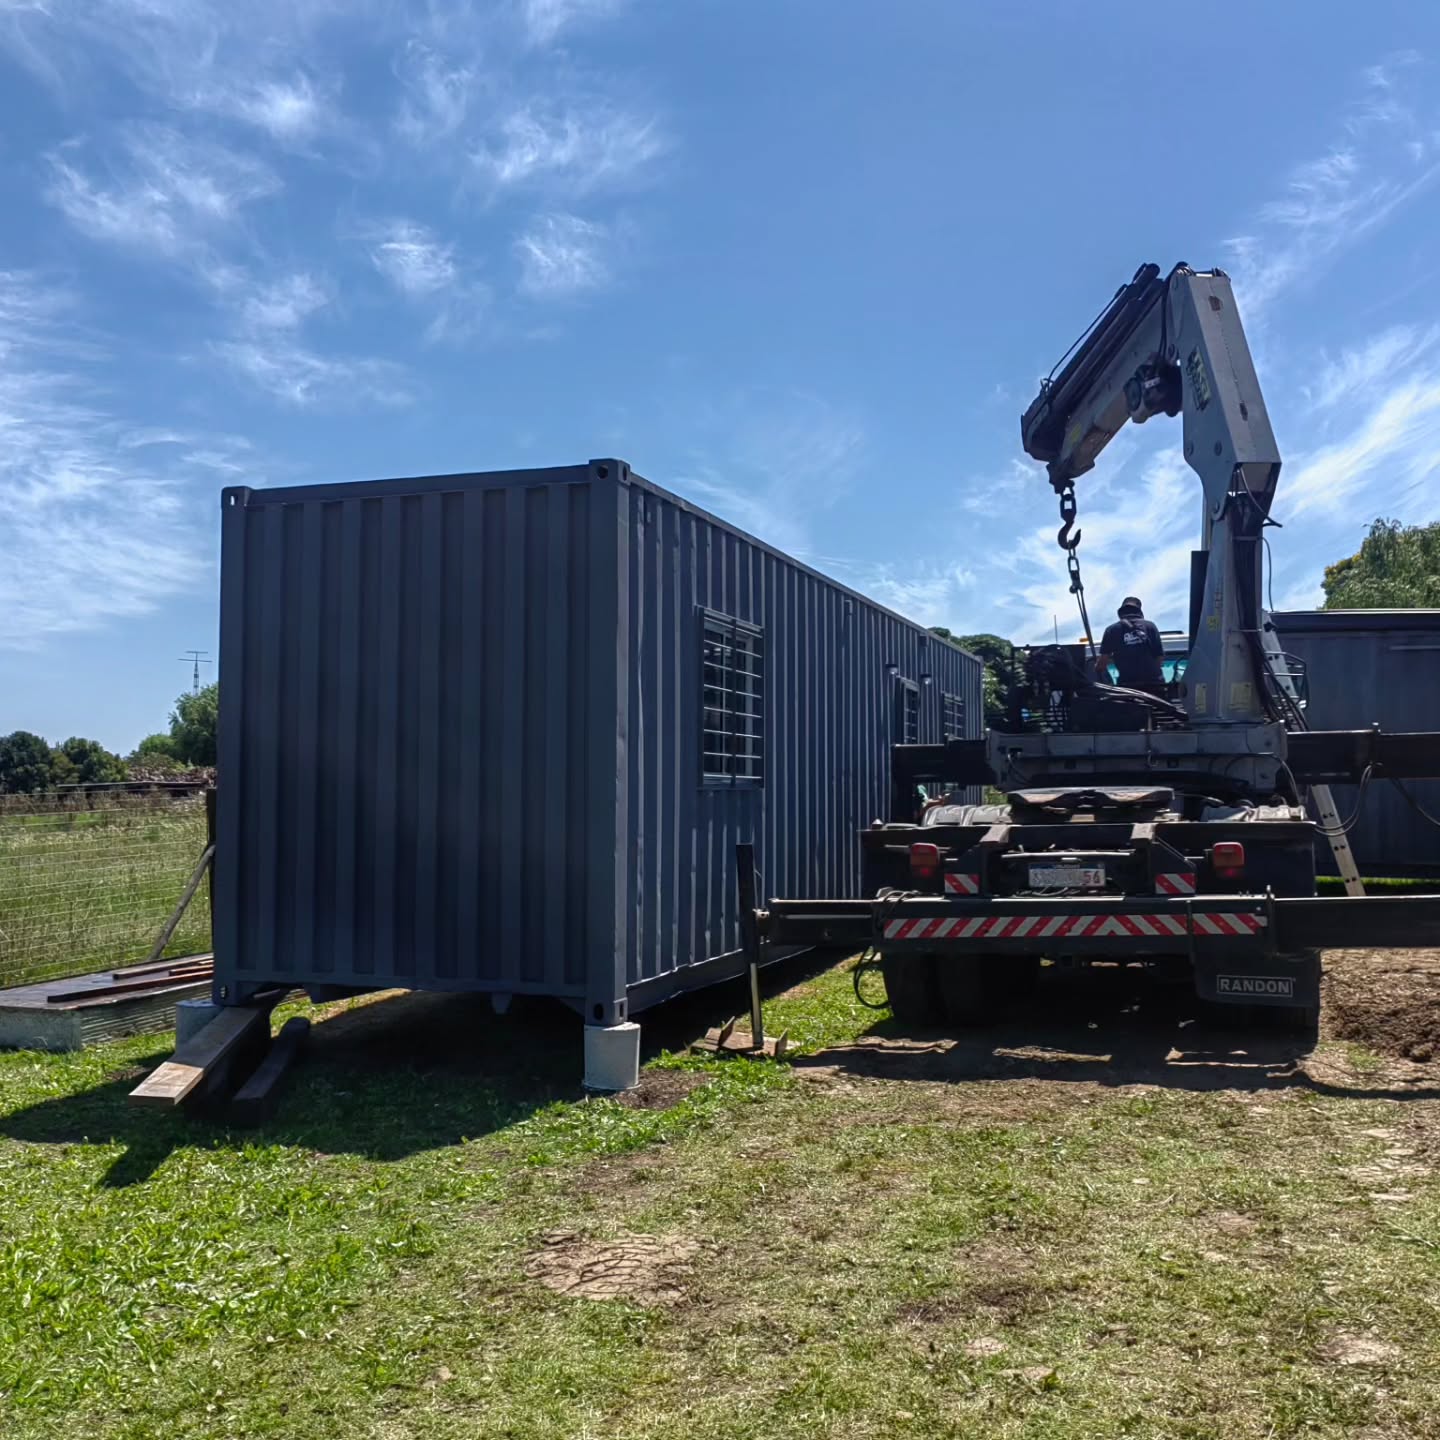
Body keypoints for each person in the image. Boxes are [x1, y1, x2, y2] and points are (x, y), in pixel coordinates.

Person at [1097, 596, 1165, 695]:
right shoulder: (1150, 627)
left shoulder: (1111, 630)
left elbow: (1102, 664)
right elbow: (1159, 657)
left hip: (1128, 691)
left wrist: (1096, 668)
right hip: (1155, 688)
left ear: (1121, 612)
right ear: (1139, 611)